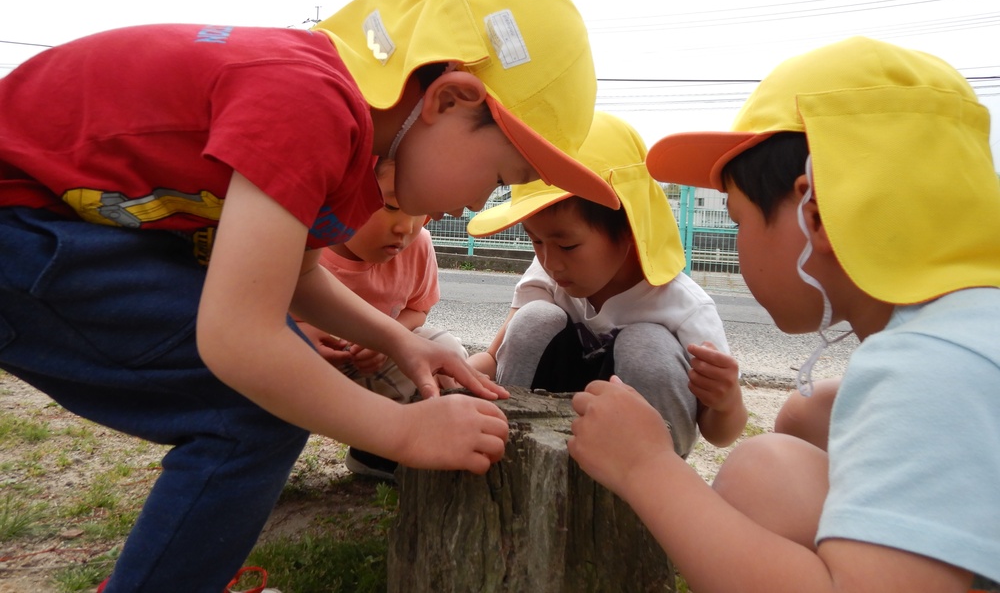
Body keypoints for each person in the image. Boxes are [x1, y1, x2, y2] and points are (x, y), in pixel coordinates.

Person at [0, 0, 620, 593]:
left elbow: (292, 277)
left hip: (49, 226)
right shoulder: (310, 101)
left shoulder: (353, 146)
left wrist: (404, 340)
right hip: (19, 220)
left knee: (259, 399)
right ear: (450, 100)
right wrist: (402, 430)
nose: (477, 201)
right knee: (248, 404)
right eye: (500, 175)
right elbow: (239, 336)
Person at [567, 37, 1000, 592]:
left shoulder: (926, 369)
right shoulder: (966, 334)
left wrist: (647, 467)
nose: (737, 238)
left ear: (814, 216)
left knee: (759, 476)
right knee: (806, 415)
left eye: (739, 218)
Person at [466, 112, 747, 457]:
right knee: (534, 317)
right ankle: (510, 447)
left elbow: (721, 434)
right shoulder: (549, 270)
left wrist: (727, 401)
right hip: (547, 421)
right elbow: (495, 357)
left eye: (567, 245)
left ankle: (647, 486)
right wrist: (457, 377)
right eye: (535, 241)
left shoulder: (683, 309)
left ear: (629, 229)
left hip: (637, 449)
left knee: (647, 345)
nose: (551, 262)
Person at [296, 157, 467, 480]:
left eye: (420, 210)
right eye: (390, 206)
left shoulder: (418, 245)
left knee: (447, 349)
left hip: (372, 363)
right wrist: (298, 334)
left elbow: (418, 308)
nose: (406, 226)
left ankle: (377, 453)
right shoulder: (307, 246)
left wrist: (388, 338)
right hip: (301, 367)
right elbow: (255, 312)